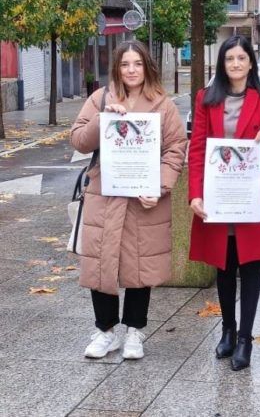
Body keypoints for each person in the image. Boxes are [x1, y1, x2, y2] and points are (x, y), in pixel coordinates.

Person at [71, 40, 187, 360]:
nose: (131, 70)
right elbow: (79, 140)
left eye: (137, 64)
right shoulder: (101, 98)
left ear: (147, 66)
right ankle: (104, 331)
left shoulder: (163, 104)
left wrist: (161, 186)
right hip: (104, 195)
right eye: (125, 64)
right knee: (100, 264)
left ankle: (135, 331)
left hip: (143, 199)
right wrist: (102, 118)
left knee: (140, 266)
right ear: (117, 69)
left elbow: (175, 149)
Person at [188, 35, 260, 371]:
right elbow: (198, 148)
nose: (235, 64)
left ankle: (246, 338)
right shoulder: (206, 99)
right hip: (218, 196)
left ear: (250, 63)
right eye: (229, 59)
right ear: (222, 63)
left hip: (251, 197)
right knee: (224, 267)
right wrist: (195, 194)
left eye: (241, 58)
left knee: (252, 267)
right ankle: (227, 330)